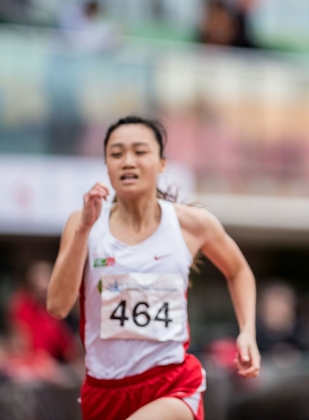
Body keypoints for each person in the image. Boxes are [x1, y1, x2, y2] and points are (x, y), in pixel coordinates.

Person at [46, 116, 260, 420]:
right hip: (104, 390)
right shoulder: (84, 224)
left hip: (172, 383)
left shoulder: (190, 225)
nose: (128, 161)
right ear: (107, 165)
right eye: (116, 154)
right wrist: (83, 229)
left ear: (161, 163)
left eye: (140, 151)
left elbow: (238, 270)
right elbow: (57, 306)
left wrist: (247, 332)